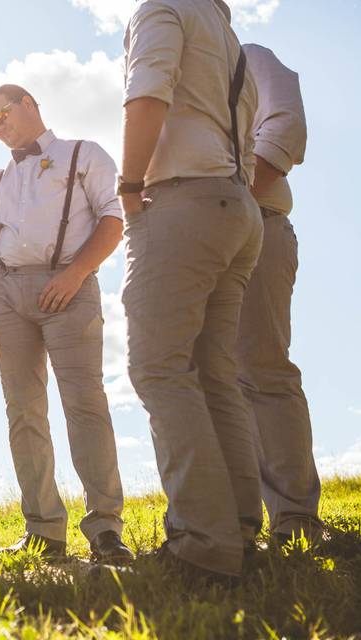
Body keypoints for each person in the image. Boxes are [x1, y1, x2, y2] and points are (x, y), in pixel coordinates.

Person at [119, 0, 263, 579]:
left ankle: (204, 543)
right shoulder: (228, 36)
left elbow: (148, 93)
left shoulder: (162, 9)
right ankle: (240, 530)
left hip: (182, 201)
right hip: (236, 206)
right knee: (213, 373)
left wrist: (130, 186)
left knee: (158, 368)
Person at [0, 84, 133, 566]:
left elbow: (111, 218)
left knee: (84, 404)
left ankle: (105, 528)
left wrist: (76, 274)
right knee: (23, 412)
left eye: (4, 113)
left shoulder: (84, 153)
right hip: (6, 294)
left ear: (30, 105)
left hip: (68, 284)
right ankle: (43, 530)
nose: (0, 126)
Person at [238, 43, 322, 546]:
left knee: (263, 368)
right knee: (207, 380)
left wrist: (229, 201)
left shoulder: (250, 57)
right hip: (190, 245)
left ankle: (294, 517)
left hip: (256, 227)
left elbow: (285, 127)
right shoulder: (168, 76)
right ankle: (231, 519)